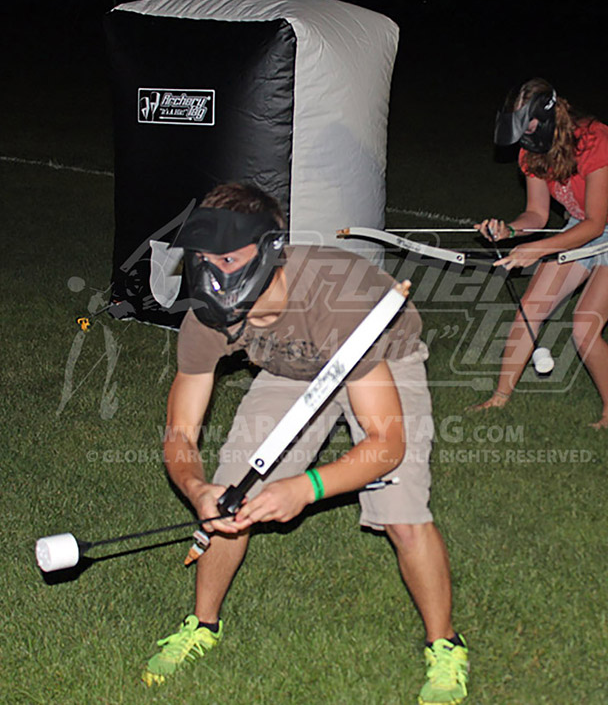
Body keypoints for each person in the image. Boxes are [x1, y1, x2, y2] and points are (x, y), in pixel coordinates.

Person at [141, 182, 469, 705]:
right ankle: (202, 625)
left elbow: (387, 444)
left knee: (403, 513)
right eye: (203, 259)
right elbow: (179, 432)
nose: (212, 273)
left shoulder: (340, 298)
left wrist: (307, 487)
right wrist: (198, 489)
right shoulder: (207, 315)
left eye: (228, 258)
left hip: (379, 355)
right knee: (231, 496)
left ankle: (445, 644)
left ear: (271, 250)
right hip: (290, 367)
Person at [472, 78, 608, 428]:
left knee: (585, 325)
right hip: (580, 222)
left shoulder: (593, 141)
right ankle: (499, 399)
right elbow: (537, 215)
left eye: (526, 125)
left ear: (545, 116)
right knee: (531, 307)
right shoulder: (531, 153)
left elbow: (596, 225)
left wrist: (537, 249)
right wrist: (510, 230)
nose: (522, 137)